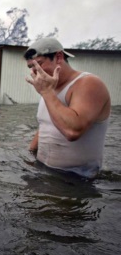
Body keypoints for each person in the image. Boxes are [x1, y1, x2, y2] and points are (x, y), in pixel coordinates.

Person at [24, 37, 111, 178]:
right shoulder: (49, 89)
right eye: (31, 67)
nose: (35, 71)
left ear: (58, 57)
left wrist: (46, 92)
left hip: (77, 179)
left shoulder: (88, 83)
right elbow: (46, 126)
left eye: (38, 64)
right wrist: (30, 154)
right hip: (43, 171)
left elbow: (72, 131)